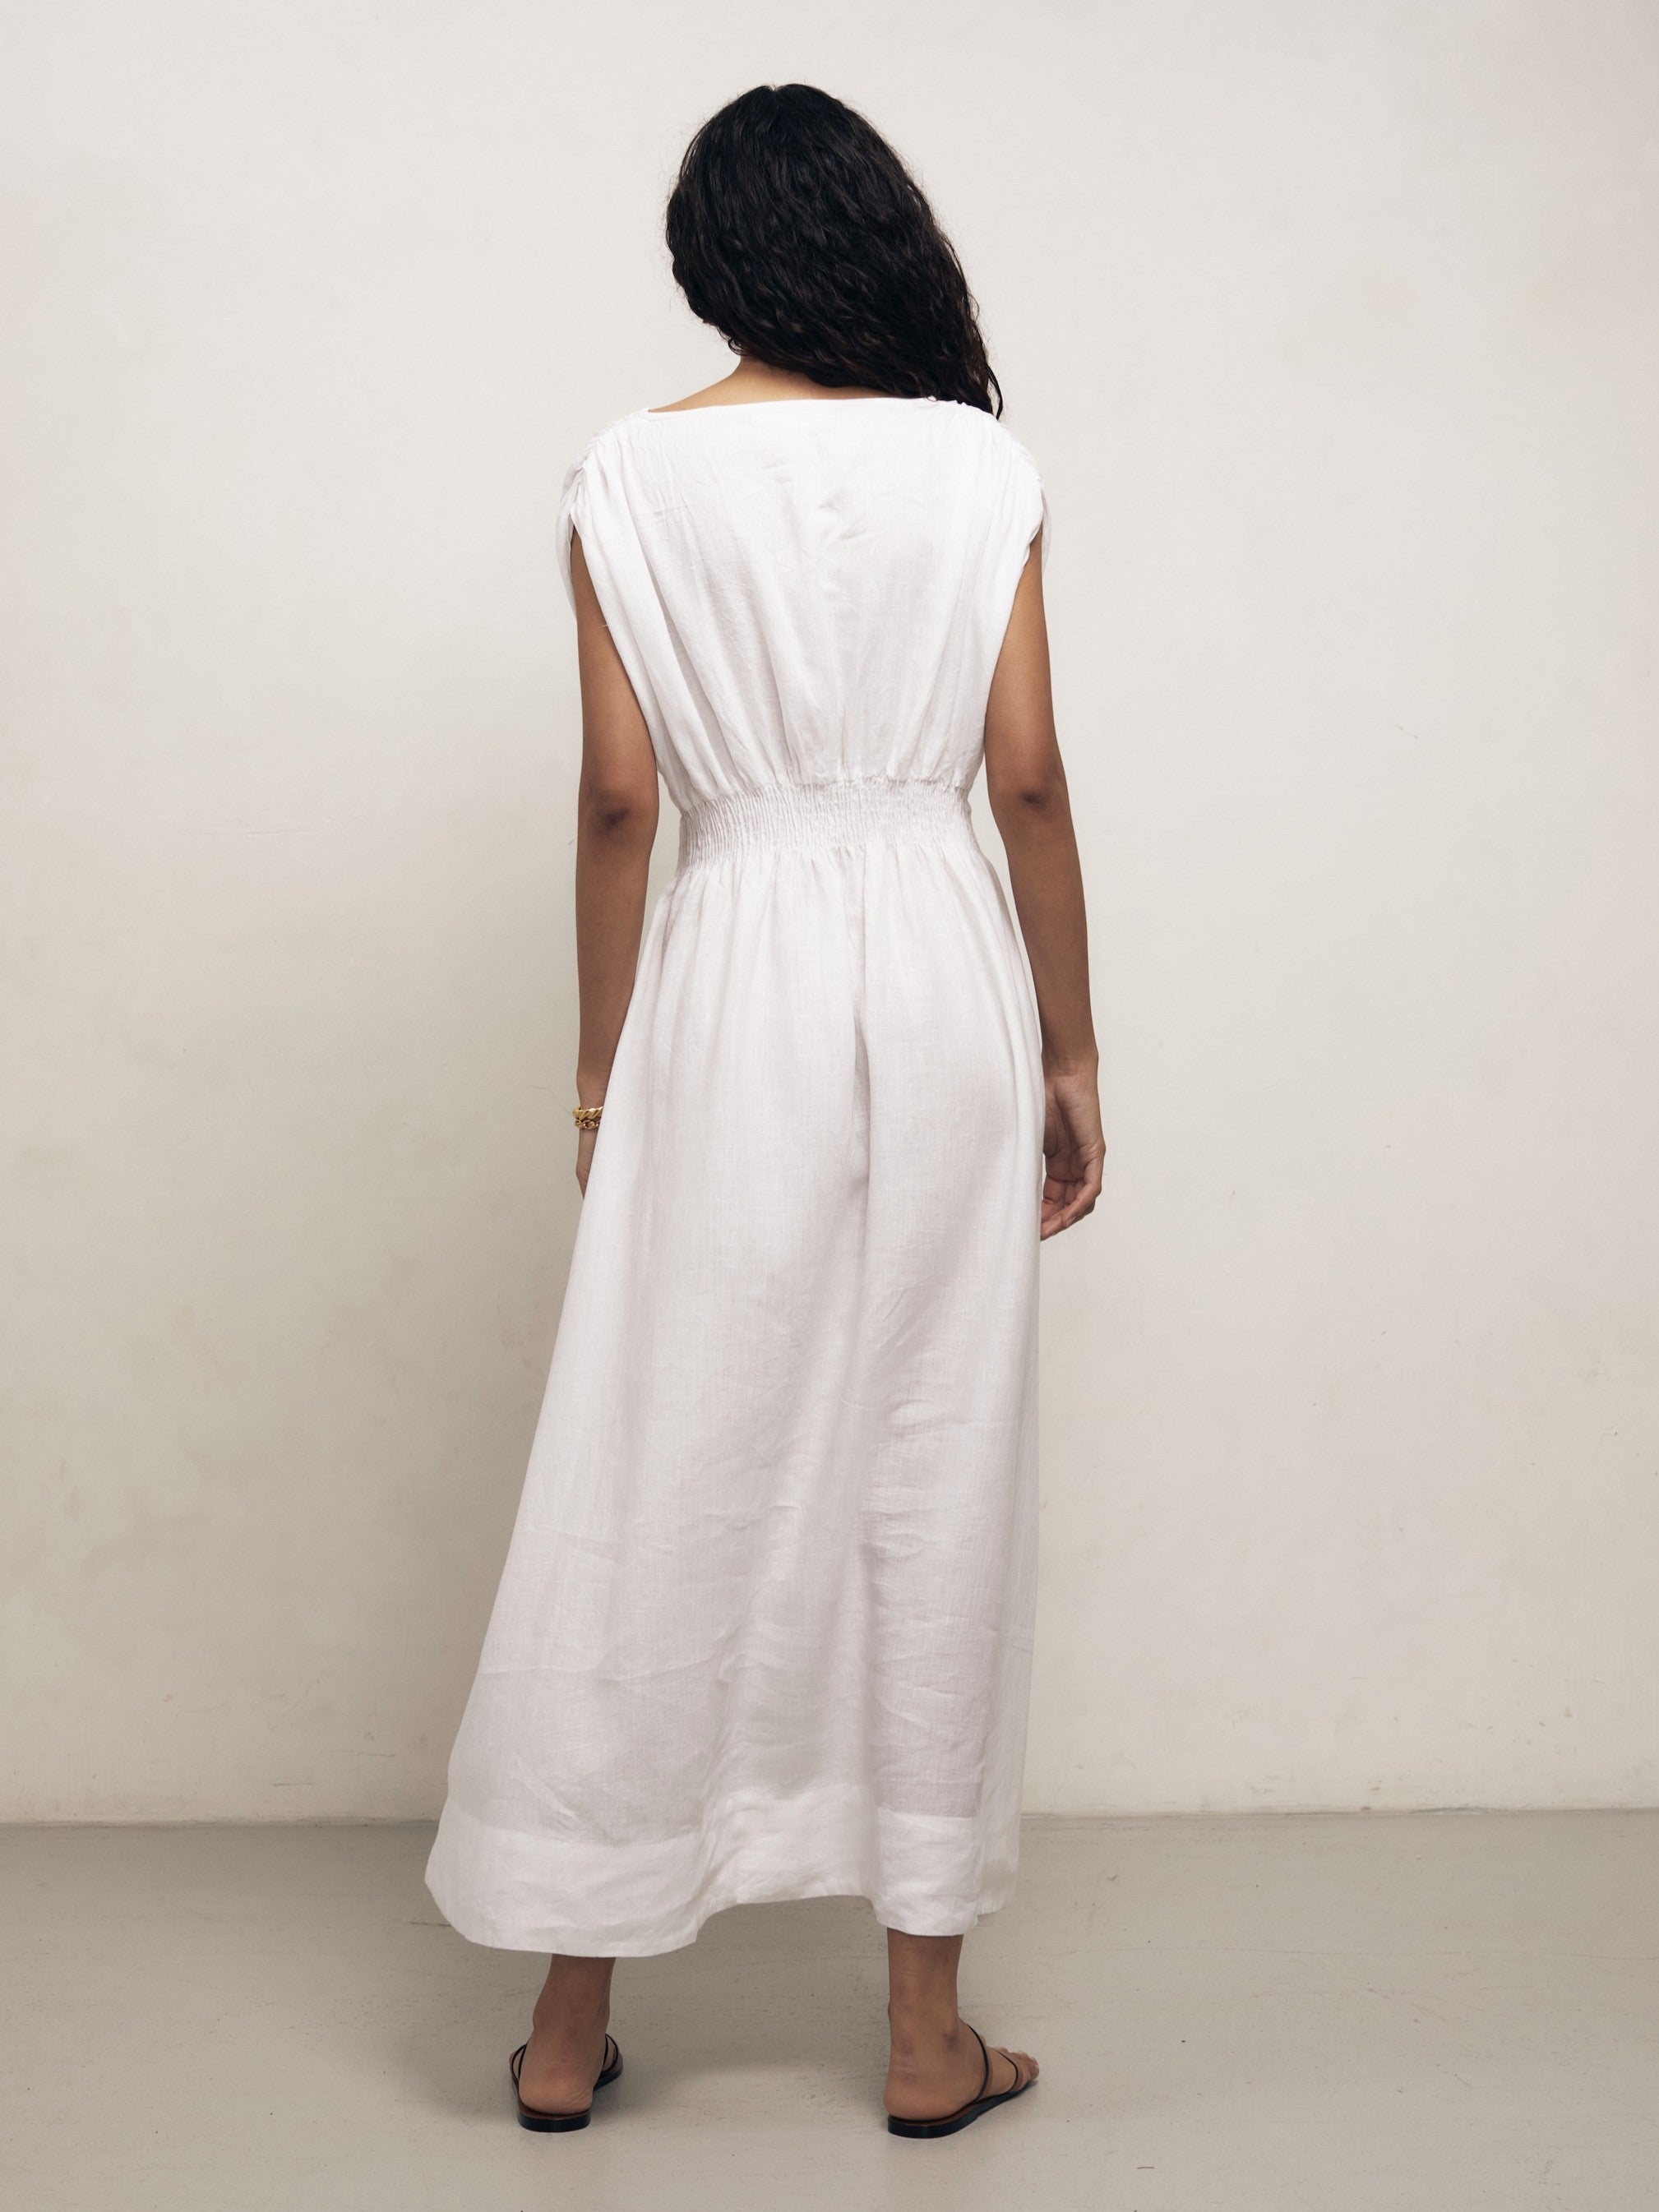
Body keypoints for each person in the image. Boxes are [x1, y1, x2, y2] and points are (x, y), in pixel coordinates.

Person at [425, 81, 1104, 2140]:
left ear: (707, 261)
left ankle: (565, 2027)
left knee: (660, 1445)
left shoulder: (627, 476)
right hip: (940, 968)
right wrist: (1071, 1048)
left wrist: (599, 1068)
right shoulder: (976, 466)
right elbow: (1026, 777)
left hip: (727, 977)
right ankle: (923, 2038)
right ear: (883, 242)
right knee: (932, 1456)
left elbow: (618, 798)